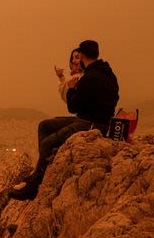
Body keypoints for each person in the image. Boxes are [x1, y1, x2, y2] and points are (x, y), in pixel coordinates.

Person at [8, 39, 119, 201]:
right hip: (96, 121)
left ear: (81, 56)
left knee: (47, 143)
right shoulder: (108, 73)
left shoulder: (90, 77)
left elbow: (73, 106)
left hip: (91, 124)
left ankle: (34, 187)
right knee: (45, 126)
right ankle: (39, 172)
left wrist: (72, 89)